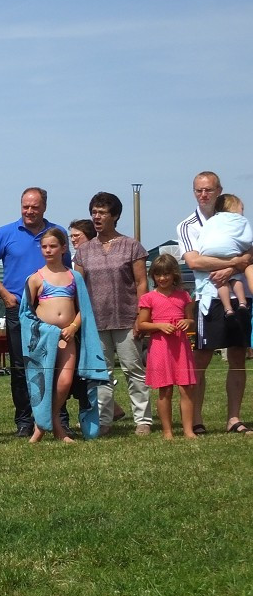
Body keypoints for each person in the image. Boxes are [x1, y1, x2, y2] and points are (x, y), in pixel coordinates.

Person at [0, 188, 70, 437]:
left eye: (34, 207)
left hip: (51, 309)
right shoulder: (4, 233)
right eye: (25, 206)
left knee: (53, 363)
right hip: (18, 308)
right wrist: (3, 293)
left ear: (44, 207)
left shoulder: (57, 232)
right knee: (21, 366)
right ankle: (24, 421)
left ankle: (59, 418)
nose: (29, 211)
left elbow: (66, 270)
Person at [176, 171, 253, 435]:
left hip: (240, 295)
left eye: (208, 190)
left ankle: (234, 417)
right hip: (208, 296)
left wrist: (231, 270)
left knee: (237, 356)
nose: (204, 195)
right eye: (198, 190)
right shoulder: (188, 225)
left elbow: (250, 251)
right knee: (202, 358)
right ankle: (196, 419)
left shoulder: (237, 219)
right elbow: (195, 262)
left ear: (219, 190)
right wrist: (235, 264)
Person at [19, 228, 107, 443]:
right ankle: (54, 427)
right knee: (44, 381)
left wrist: (74, 327)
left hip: (67, 337)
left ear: (63, 248)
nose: (48, 250)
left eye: (53, 246)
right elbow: (26, 313)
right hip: (43, 339)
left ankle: (44, 424)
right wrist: (45, 330)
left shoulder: (73, 276)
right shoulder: (35, 279)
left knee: (64, 382)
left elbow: (83, 309)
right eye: (44, 247)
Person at [73, 192, 151, 436]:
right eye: (94, 212)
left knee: (133, 370)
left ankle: (143, 421)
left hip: (127, 318)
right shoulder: (84, 251)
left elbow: (141, 284)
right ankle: (104, 420)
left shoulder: (132, 246)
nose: (97, 217)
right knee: (101, 374)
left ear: (115, 215)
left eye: (102, 212)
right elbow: (77, 286)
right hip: (94, 322)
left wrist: (142, 316)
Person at [137, 255, 197, 440]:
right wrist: (160, 326)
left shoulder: (184, 296)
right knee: (165, 390)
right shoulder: (149, 298)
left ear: (174, 274)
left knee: (186, 389)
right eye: (158, 275)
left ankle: (188, 430)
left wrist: (187, 322)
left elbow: (191, 321)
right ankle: (167, 431)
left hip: (181, 346)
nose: (162, 278)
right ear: (152, 276)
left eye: (166, 274)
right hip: (160, 347)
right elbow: (142, 324)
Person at [195, 194, 253, 316]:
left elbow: (203, 236)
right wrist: (242, 249)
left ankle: (228, 308)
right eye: (242, 208)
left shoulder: (212, 220)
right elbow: (247, 238)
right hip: (230, 250)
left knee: (220, 281)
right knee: (235, 279)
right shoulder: (240, 220)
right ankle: (242, 302)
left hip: (210, 252)